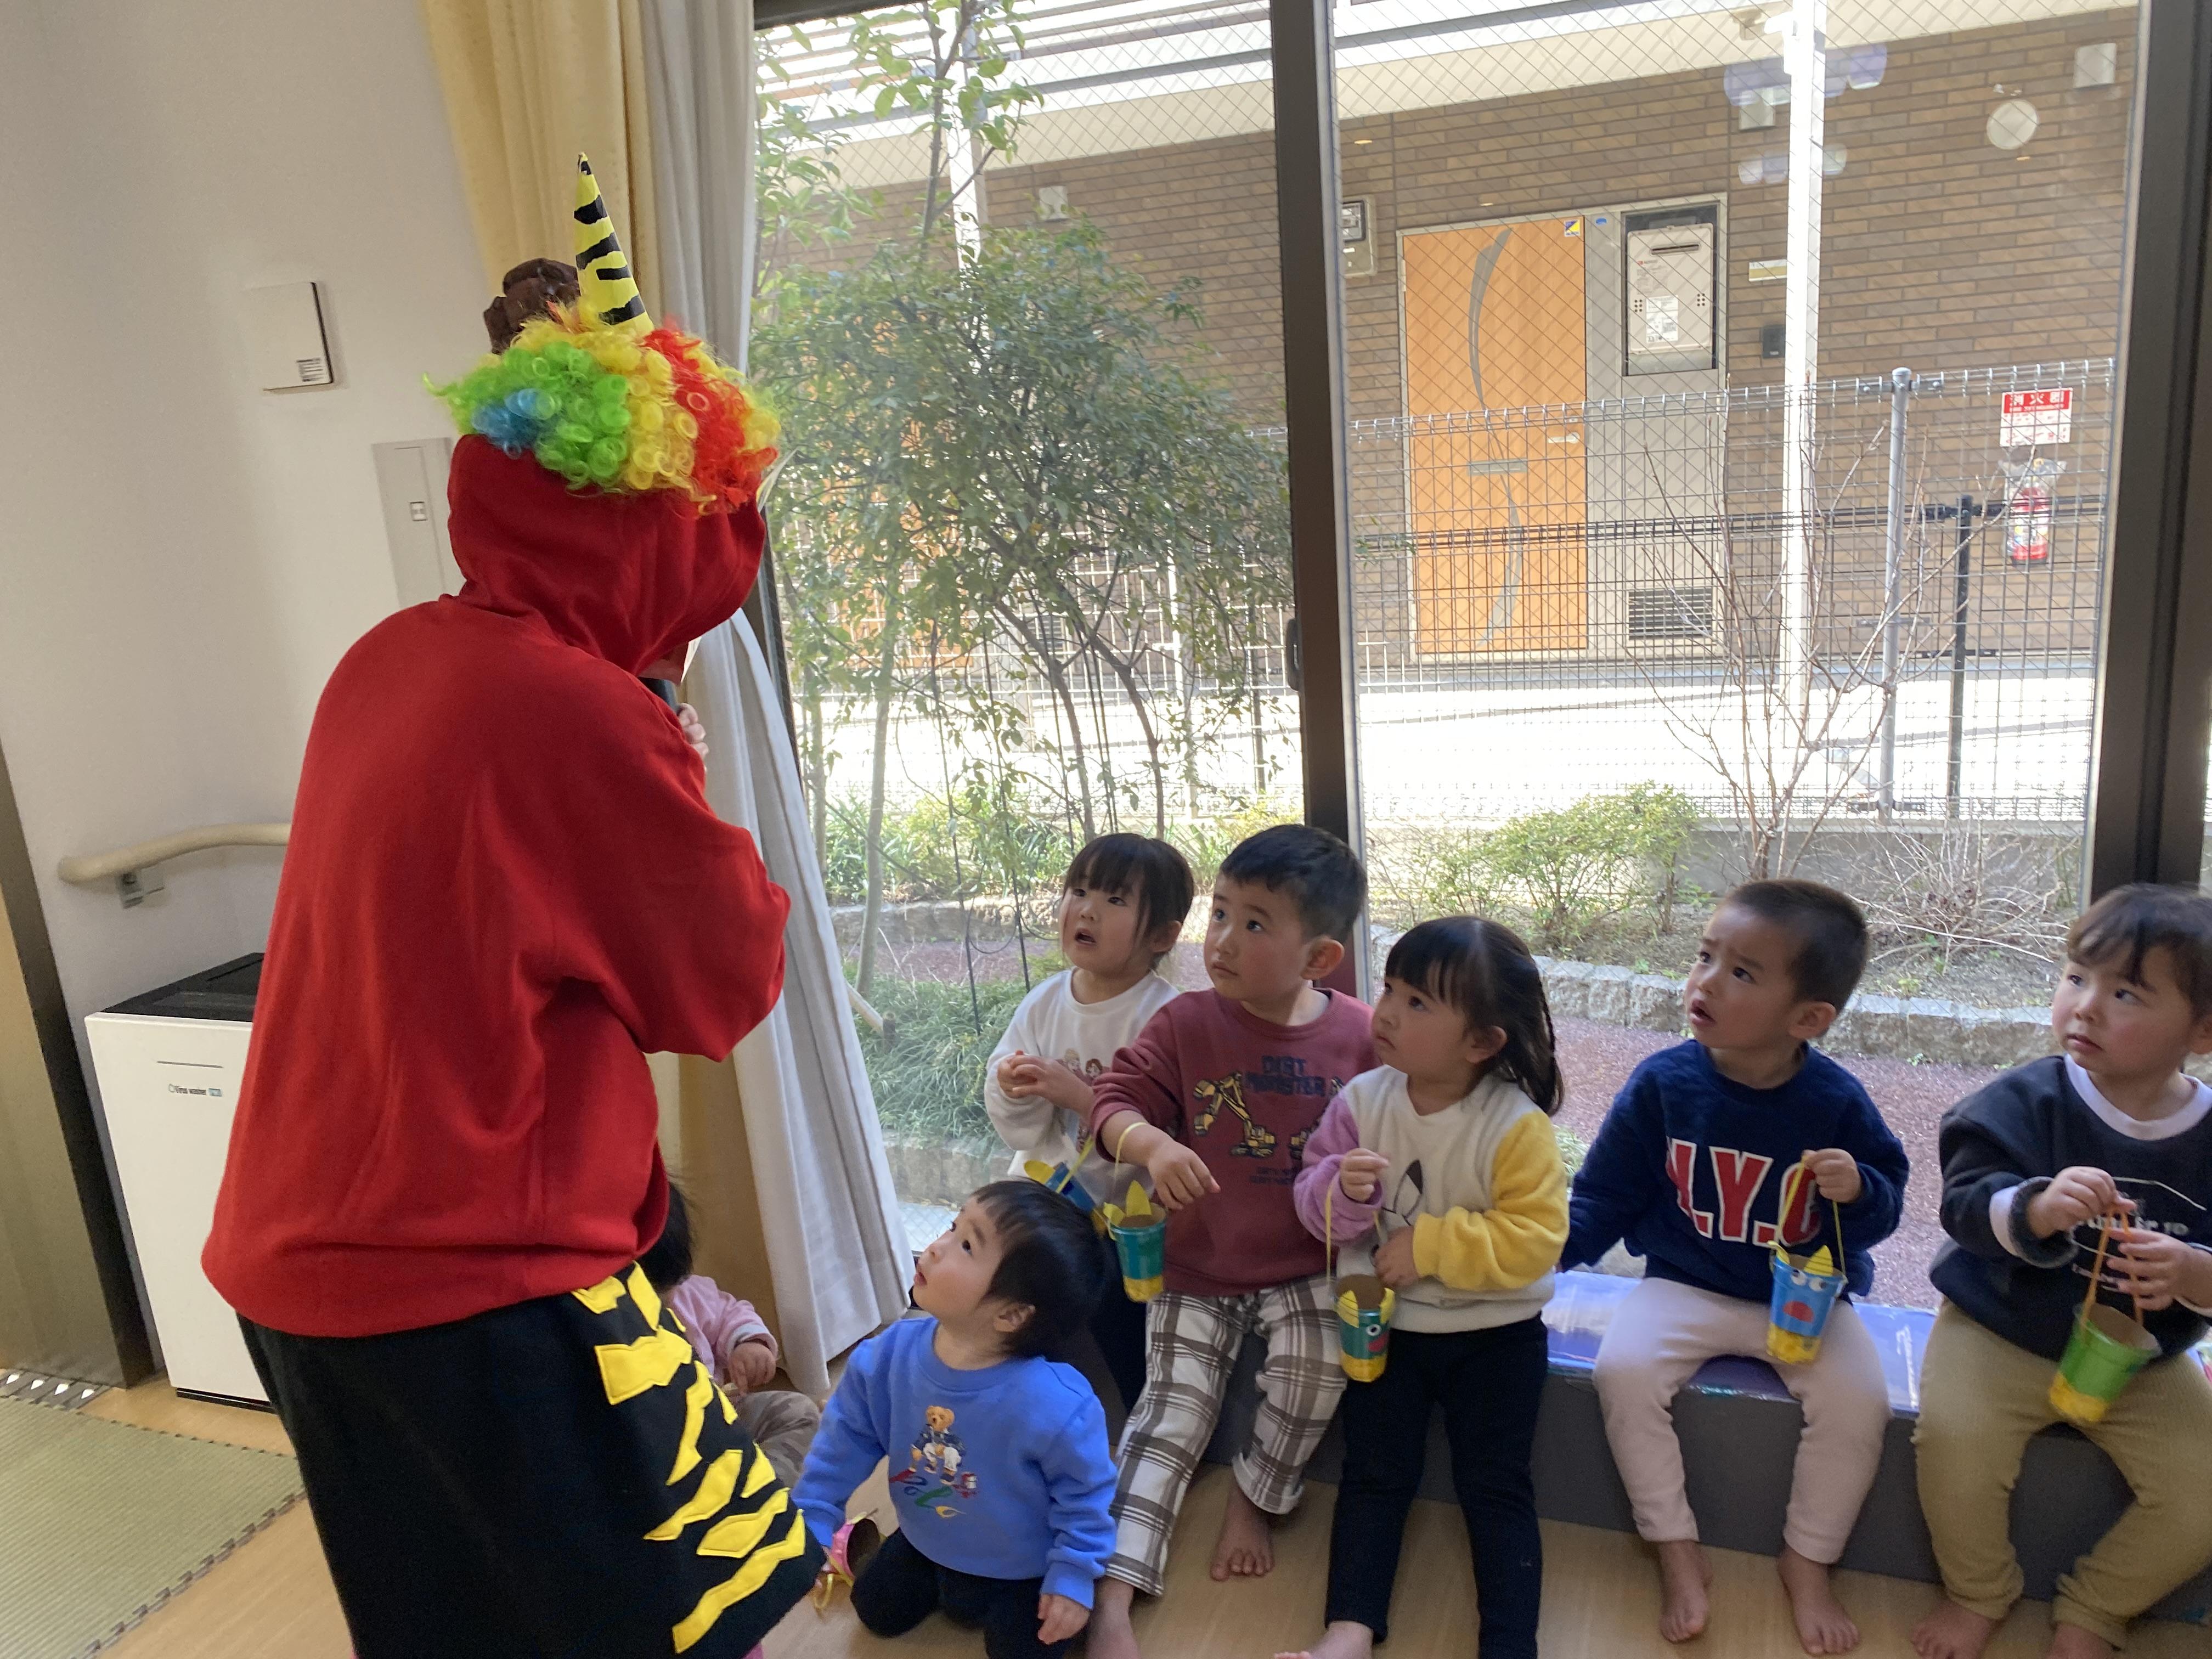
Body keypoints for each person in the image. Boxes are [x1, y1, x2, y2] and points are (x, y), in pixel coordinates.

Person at [200, 159, 820, 1657]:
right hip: (471, 1285)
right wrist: (660, 715)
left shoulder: (392, 656)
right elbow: (724, 981)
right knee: (691, 1614)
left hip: (300, 1266)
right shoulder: (579, 713)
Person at [1562, 879, 1909, 1656]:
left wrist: (1859, 1189)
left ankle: (1808, 1560)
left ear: (1808, 1018)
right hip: (1684, 1283)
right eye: (1705, 956)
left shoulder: (1835, 1101)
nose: (1707, 981)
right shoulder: (1663, 1083)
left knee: (1859, 1405)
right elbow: (1606, 1196)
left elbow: (1886, 1207)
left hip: (1804, 1301)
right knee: (1623, 1372)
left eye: (1742, 972)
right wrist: (1542, 1257)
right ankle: (1676, 1549)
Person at [1081, 824, 1377, 1659]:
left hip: (1307, 1266)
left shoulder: (1359, 1037)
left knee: (1316, 1375)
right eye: (1219, 913)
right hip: (1197, 1265)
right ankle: (1113, 1596)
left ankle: (1254, 1498)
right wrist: (1152, 1145)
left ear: (1319, 958)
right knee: (1167, 1416)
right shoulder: (1184, 1023)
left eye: (1254, 923)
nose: (1222, 939)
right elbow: (1111, 1103)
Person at [1911, 884, 2212, 1659]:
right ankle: (1979, 1590)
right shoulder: (2025, 1101)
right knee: (1953, 1446)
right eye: (2076, 977)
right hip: (1998, 1327)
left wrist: (2191, 1272)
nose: (2085, 1006)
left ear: (2203, 1031)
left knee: (2204, 1493)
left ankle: (2097, 1608)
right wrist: (2035, 1209)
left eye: (2126, 994)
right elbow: (1962, 1206)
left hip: (2143, 1364)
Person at [1283, 916, 1568, 1659]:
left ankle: (1510, 1644)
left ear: (1482, 1042)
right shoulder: (1363, 1101)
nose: (1385, 1013)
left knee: (1496, 1489)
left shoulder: (1514, 1125)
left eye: (1417, 1003)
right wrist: (1341, 1192)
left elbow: (1538, 1240)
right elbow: (1312, 1204)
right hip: (1387, 1332)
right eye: (1390, 990)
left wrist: (1432, 1245)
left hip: (1498, 1338)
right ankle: (1349, 1630)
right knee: (1374, 1477)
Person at [794, 1182, 1118, 1659]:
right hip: (928, 1541)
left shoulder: (1058, 1405)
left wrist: (1072, 1576)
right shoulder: (886, 1357)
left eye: (967, 1245)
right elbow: (846, 1440)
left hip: (1025, 1567)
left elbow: (1087, 1498)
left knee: (1024, 1651)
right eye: (952, 1226)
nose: (937, 1247)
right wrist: (816, 1511)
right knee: (876, 1609)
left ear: (1012, 1314)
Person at [985, 833, 1198, 1412]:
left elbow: (1174, 1128)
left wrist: (1081, 1097)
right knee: (996, 1270)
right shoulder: (1045, 1002)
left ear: (1162, 936)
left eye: (1114, 899)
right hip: (1050, 1200)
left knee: (1125, 1316)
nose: (1086, 910)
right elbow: (1022, 1132)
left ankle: (1140, 1422)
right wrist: (1011, 1084)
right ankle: (1011, 1407)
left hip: (1131, 1216)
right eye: (1078, 891)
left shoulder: (1166, 1015)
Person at [639, 1182, 821, 1487]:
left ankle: (764, 1491)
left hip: (722, 1417)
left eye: (667, 1290)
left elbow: (729, 1314)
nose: (664, 1302)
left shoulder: (688, 1293)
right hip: (660, 1453)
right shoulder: (599, 1331)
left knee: (799, 1413)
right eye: (646, 1293)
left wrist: (748, 1343)